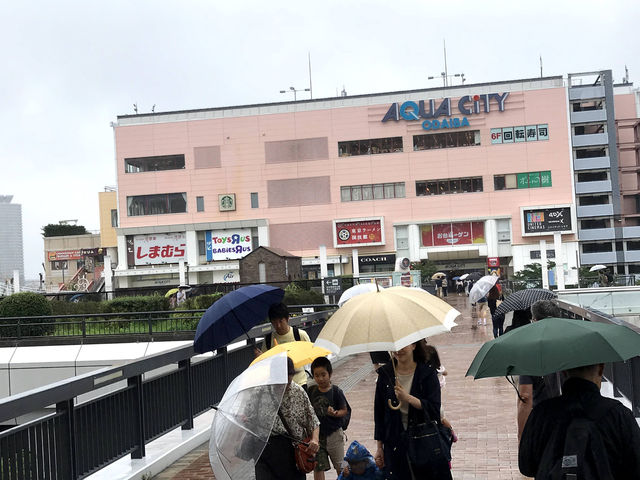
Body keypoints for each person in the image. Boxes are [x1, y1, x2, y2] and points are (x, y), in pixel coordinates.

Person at [519, 362, 640, 479]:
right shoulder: (619, 415)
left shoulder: (541, 414)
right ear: (601, 368)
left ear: (564, 371)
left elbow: (526, 467)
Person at [374, 339, 452, 479]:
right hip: (395, 441)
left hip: (423, 440)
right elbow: (379, 413)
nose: (399, 349)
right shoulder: (385, 375)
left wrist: (407, 398)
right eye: (395, 345)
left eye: (403, 344)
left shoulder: (427, 373)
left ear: (414, 345)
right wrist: (379, 447)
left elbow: (434, 409)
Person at [256, 356, 320, 479]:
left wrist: (315, 440)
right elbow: (249, 418)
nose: (284, 384)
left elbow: (313, 421)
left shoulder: (298, 392)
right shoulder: (260, 392)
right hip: (266, 451)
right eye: (280, 380)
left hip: (292, 453)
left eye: (288, 380)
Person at [517, 300, 563, 441]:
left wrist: (522, 438)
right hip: (573, 421)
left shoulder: (530, 352)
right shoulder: (573, 345)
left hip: (544, 422)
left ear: (535, 321)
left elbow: (525, 397)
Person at [307, 357, 348, 480]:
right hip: (318, 437)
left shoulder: (336, 391)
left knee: (342, 466)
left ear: (330, 374)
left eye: (323, 375)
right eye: (316, 375)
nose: (320, 378)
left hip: (335, 434)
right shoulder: (311, 390)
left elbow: (344, 410)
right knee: (318, 466)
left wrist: (335, 413)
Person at [257, 302, 311, 387]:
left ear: (287, 319)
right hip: (279, 386)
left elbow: (311, 354)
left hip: (299, 383)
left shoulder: (299, 335)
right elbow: (265, 363)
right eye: (274, 322)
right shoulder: (268, 339)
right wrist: (261, 357)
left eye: (281, 321)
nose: (278, 325)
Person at [424, 344, 457, 443]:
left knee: (440, 418)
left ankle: (451, 431)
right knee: (441, 418)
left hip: (433, 401)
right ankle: (450, 431)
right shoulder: (437, 367)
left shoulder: (430, 369)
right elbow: (445, 372)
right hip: (436, 397)